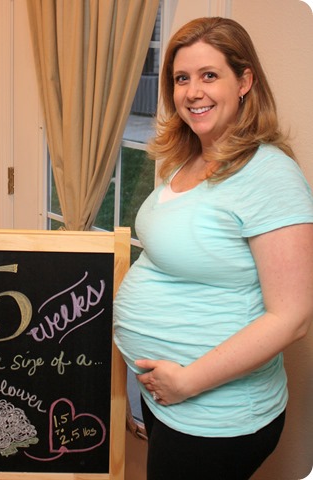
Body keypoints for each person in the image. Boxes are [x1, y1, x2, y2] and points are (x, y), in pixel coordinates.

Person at [113, 16, 313, 480]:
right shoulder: (188, 159)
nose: (192, 92)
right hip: (167, 398)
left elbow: (293, 317)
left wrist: (187, 381)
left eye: (209, 75)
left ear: (244, 82)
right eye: (181, 78)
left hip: (216, 414)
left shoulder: (270, 175)